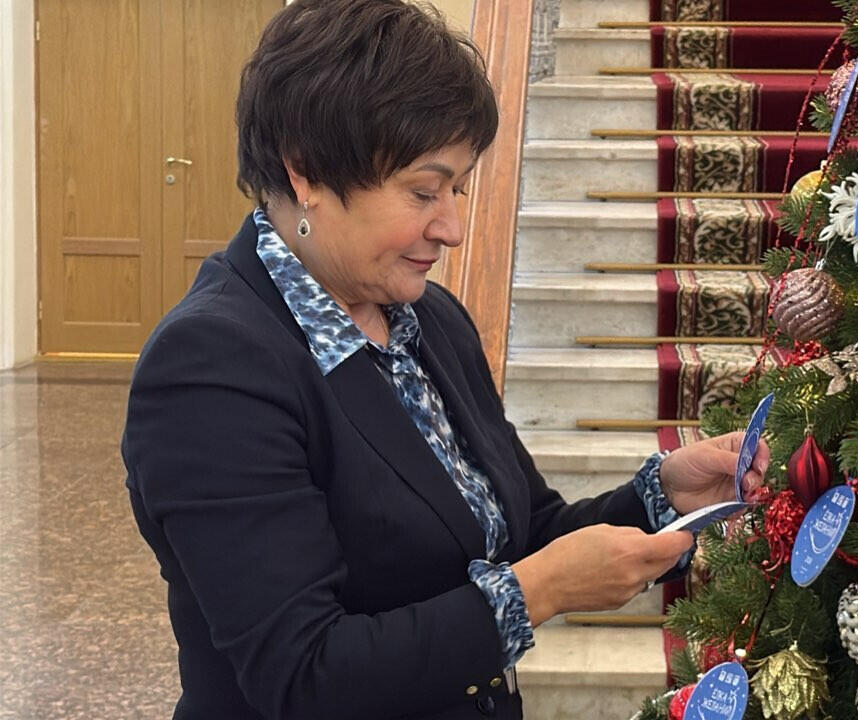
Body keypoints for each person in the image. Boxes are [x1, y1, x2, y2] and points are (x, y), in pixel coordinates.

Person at [121, 1, 770, 718]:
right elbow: (304, 675)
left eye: (458, 188)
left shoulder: (428, 319)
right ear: (305, 173)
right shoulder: (212, 368)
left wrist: (663, 498)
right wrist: (540, 592)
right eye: (423, 192)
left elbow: (522, 532)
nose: (454, 227)